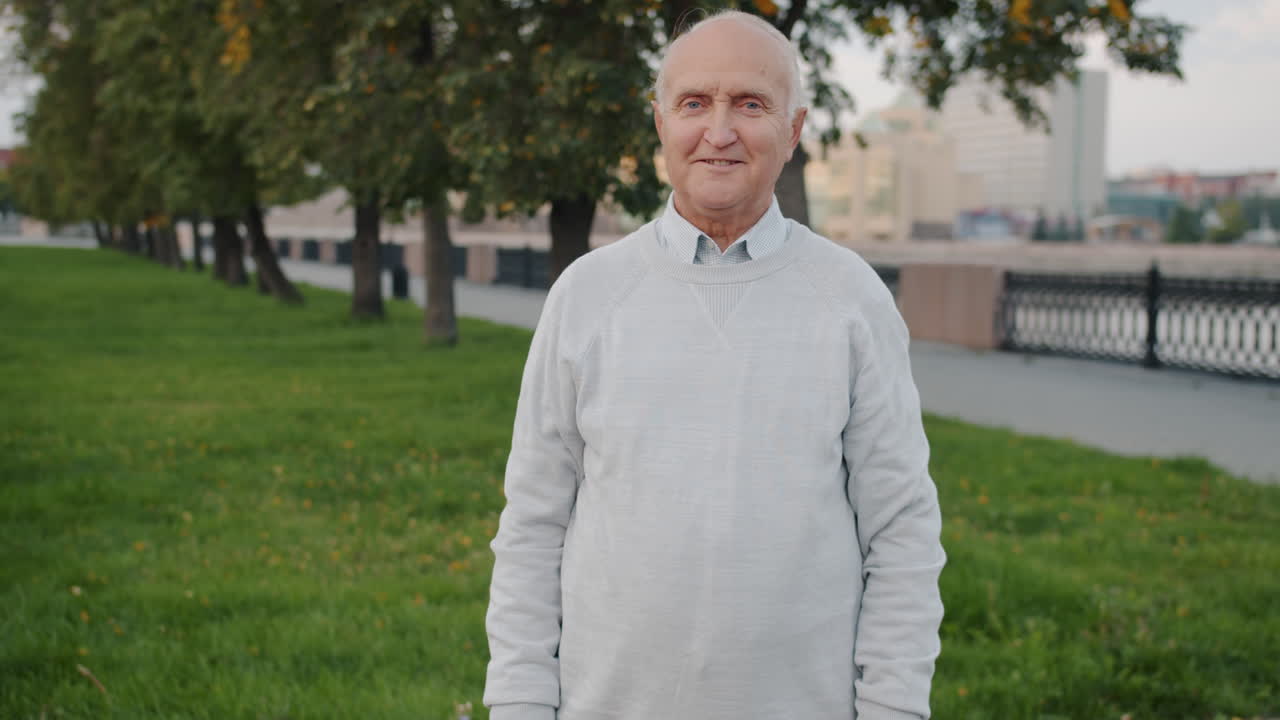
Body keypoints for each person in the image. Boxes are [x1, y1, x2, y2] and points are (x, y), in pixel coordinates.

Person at [483, 10, 945, 720]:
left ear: (793, 130)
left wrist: (893, 707)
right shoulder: (587, 295)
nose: (719, 131)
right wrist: (519, 703)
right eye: (694, 103)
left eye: (751, 105)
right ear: (661, 121)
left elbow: (901, 528)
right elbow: (533, 525)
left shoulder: (851, 299)